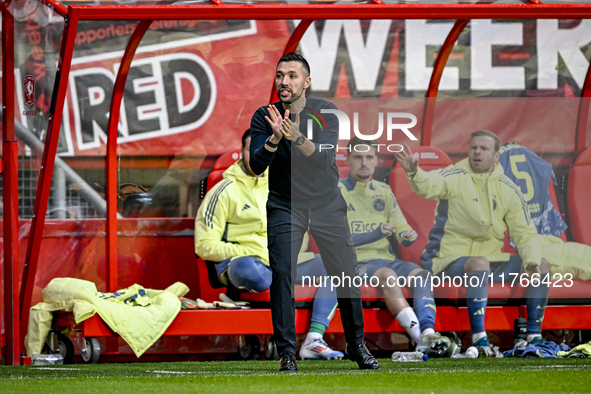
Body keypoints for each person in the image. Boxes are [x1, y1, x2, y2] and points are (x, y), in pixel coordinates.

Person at [249, 52, 379, 371]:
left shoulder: (326, 112)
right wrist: (274, 140)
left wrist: (297, 138)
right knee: (282, 273)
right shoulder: (265, 116)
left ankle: (357, 345)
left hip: (325, 203)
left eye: (292, 76)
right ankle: (287, 353)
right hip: (285, 204)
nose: (284, 82)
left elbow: (324, 158)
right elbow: (254, 167)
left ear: (306, 83)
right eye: (280, 75)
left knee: (347, 272)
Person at [395, 130, 551, 357]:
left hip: (491, 261)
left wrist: (532, 261)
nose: (477, 152)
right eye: (473, 147)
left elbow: (526, 233)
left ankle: (534, 336)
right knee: (479, 263)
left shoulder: (509, 188)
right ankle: (479, 336)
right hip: (448, 260)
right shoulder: (455, 174)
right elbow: (430, 184)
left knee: (543, 264)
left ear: (496, 156)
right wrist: (414, 172)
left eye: (484, 148)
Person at [195, 129, 343, 360]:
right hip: (244, 264)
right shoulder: (224, 191)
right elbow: (204, 245)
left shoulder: (284, 185)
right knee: (252, 271)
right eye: (250, 148)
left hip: (284, 261)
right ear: (241, 152)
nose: (257, 153)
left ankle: (314, 339)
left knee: (338, 266)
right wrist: (247, 250)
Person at [339, 137, 456, 357]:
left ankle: (429, 332)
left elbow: (401, 228)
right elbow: (335, 240)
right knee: (387, 275)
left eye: (369, 157)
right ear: (348, 160)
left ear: (376, 161)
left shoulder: (383, 190)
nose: (363, 163)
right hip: (356, 263)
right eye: (358, 158)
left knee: (421, 274)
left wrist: (407, 235)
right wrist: (375, 233)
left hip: (387, 259)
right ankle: (421, 340)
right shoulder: (337, 191)